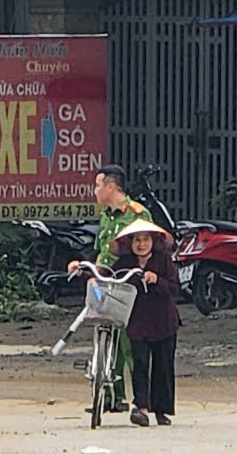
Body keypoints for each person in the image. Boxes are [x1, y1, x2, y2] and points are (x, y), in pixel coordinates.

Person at [69, 166, 153, 412]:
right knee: (106, 335)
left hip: (128, 284)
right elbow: (102, 253)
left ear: (111, 187)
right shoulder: (106, 216)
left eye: (97, 185)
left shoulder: (138, 214)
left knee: (130, 342)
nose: (95, 191)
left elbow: (148, 248)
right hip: (105, 282)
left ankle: (142, 400)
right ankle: (110, 397)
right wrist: (91, 273)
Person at [109, 219, 181, 427]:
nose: (141, 244)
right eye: (137, 240)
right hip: (137, 321)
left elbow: (176, 288)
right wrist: (84, 271)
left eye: (145, 240)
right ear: (130, 243)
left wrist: (157, 280)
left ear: (153, 242)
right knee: (140, 364)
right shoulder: (125, 263)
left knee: (163, 366)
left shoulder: (164, 260)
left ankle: (161, 409)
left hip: (164, 321)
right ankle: (141, 407)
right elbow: (108, 276)